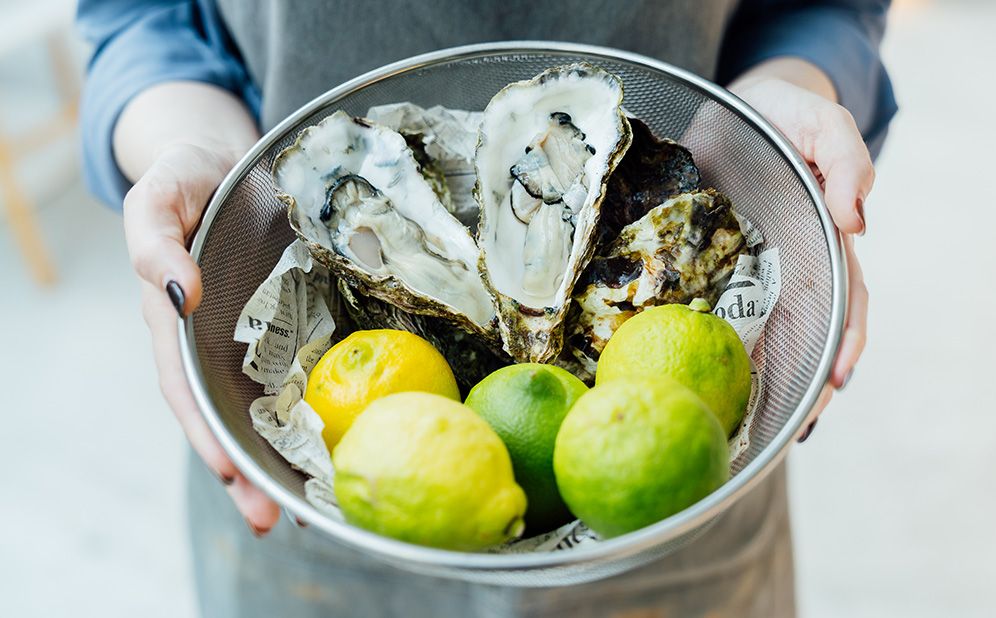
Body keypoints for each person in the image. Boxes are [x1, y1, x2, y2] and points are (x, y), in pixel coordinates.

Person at [77, 1, 896, 616]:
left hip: (667, 515)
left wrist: (775, 115)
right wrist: (188, 144)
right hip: (320, 506)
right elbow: (141, 16)